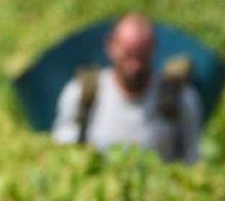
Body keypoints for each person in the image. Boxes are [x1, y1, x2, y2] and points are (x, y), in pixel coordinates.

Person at [49, 13, 204, 164]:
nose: (134, 66)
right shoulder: (81, 93)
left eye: (141, 56)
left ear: (153, 49)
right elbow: (63, 156)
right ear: (110, 46)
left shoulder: (181, 98)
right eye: (128, 55)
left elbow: (192, 159)